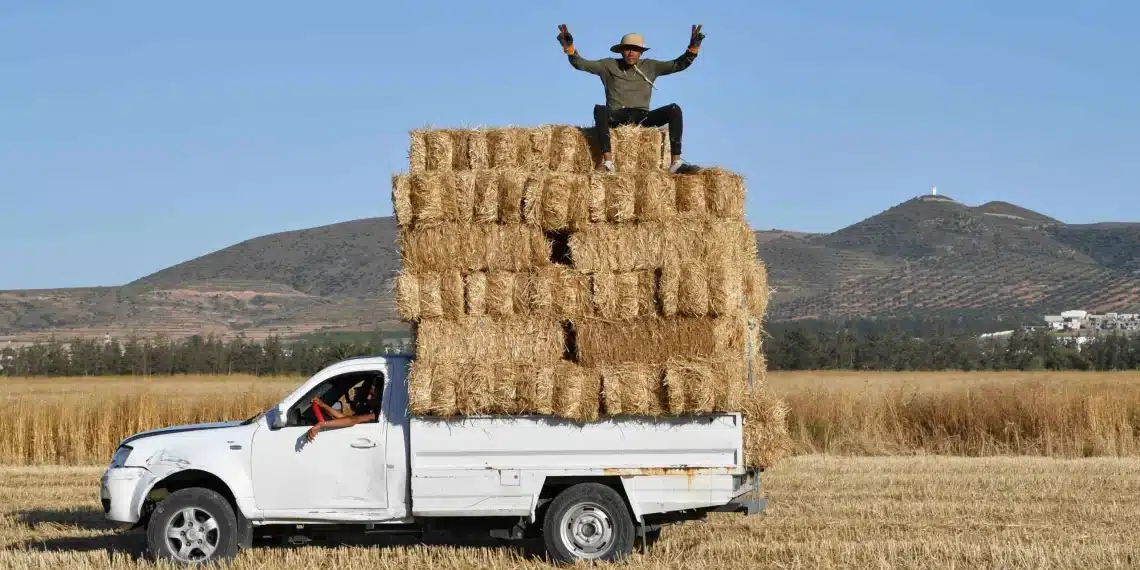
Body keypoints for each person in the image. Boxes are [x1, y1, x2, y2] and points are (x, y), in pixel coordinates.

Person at [558, 24, 704, 174]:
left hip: (642, 116)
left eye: (635, 50)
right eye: (627, 49)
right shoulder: (608, 65)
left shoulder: (650, 66)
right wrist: (569, 47)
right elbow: (581, 64)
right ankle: (608, 163)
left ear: (640, 52)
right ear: (621, 51)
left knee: (674, 109)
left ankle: (676, 163)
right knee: (600, 110)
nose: (630, 53)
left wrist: (693, 48)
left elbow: (677, 65)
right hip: (616, 115)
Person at [306, 377, 379, 442]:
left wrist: (322, 425)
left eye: (372, 395)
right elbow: (345, 419)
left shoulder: (374, 415)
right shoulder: (371, 411)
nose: (367, 398)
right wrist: (323, 405)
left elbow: (352, 420)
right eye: (367, 394)